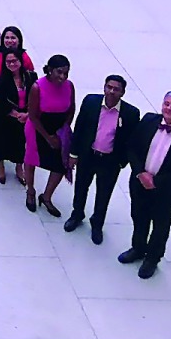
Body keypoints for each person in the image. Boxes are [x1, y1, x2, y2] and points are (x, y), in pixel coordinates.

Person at [119, 91, 171, 279]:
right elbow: (132, 147)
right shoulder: (149, 120)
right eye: (167, 103)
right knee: (139, 218)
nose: (169, 108)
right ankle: (138, 248)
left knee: (160, 227)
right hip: (140, 184)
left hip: (166, 193)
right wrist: (140, 173)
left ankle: (152, 259)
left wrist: (155, 181)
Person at [64, 75, 140, 245]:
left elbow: (132, 140)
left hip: (110, 161)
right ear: (104, 87)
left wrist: (122, 162)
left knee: (104, 194)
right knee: (81, 187)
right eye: (109, 87)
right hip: (88, 155)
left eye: (116, 89)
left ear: (123, 92)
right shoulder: (91, 102)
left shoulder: (131, 113)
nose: (111, 91)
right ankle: (77, 214)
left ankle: (97, 224)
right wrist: (73, 154)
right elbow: (79, 127)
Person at [24, 54, 76, 217]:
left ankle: (46, 197)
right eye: (59, 72)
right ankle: (30, 191)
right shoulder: (37, 88)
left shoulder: (69, 86)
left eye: (66, 73)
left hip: (59, 129)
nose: (63, 77)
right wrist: (48, 137)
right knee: (32, 160)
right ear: (50, 70)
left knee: (60, 165)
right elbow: (33, 116)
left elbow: (71, 109)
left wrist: (64, 130)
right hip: (39, 129)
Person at [0, 49, 34, 185]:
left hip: (24, 117)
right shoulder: (2, 79)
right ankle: (0, 166)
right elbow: (0, 101)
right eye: (8, 61)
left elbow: (36, 98)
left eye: (14, 61)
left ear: (20, 61)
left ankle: (19, 167)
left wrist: (27, 114)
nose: (11, 64)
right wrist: (16, 114)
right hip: (5, 116)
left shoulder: (30, 77)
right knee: (1, 142)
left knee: (20, 143)